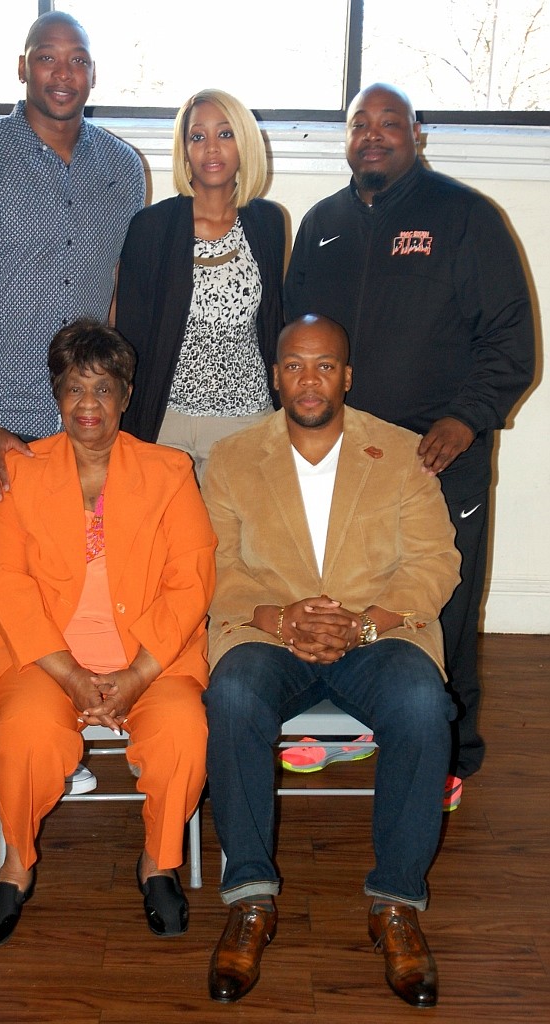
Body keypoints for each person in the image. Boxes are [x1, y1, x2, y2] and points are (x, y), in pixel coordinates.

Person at [0, 11, 145, 839]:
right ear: (22, 69)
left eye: (75, 60)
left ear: (91, 73)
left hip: (75, 431)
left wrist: (109, 416)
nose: (61, 73)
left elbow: (115, 296)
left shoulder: (124, 168)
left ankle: (48, 743)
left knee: (64, 599)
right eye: (47, 58)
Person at [284, 83, 535, 801]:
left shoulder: (464, 217)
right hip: (339, 460)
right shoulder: (322, 223)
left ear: (416, 135)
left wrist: (464, 418)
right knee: (338, 588)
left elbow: (509, 342)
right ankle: (348, 723)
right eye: (359, 123)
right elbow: (296, 341)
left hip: (436, 457)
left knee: (439, 603)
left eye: (388, 123)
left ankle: (451, 749)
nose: (372, 134)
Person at [202, 314, 460, 1007]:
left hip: (373, 636)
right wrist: (276, 618)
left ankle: (396, 903)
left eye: (323, 366)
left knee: (420, 703)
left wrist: (361, 626)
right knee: (229, 695)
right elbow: (214, 565)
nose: (307, 380)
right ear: (275, 373)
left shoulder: (402, 453)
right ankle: (250, 898)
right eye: (293, 365)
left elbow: (435, 564)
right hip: (269, 633)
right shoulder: (229, 458)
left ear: (347, 376)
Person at [0, 319, 216, 946]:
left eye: (104, 389)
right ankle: (16, 864)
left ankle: (159, 861)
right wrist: (71, 674)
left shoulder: (170, 470)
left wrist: (135, 675)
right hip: (45, 661)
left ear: (126, 397)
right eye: (75, 388)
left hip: (150, 660)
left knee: (185, 732)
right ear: (56, 395)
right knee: (24, 736)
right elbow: (4, 578)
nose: (88, 405)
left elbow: (192, 579)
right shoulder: (18, 471)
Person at [116, 88, 284, 480]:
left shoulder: (268, 224)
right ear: (184, 149)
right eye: (198, 136)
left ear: (244, 144)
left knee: (234, 543)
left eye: (225, 134)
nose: (212, 148)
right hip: (166, 421)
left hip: (245, 422)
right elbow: (130, 333)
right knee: (166, 541)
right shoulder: (150, 227)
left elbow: (275, 320)